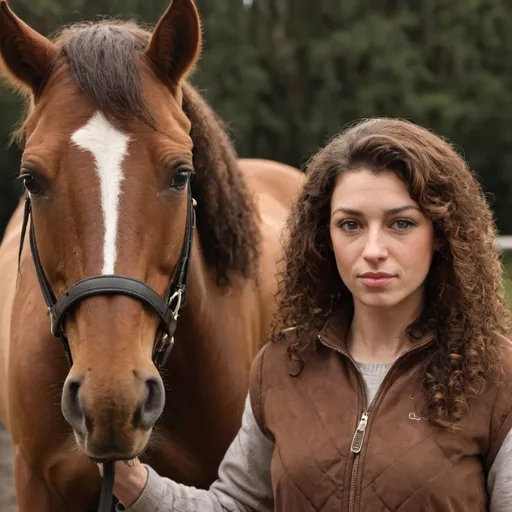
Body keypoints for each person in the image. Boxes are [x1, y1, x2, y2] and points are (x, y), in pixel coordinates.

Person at [101, 118, 512, 511]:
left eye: (401, 224)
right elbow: (236, 506)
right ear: (324, 237)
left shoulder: (498, 375)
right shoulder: (282, 366)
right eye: (350, 225)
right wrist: (134, 484)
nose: (372, 250)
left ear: (440, 235)